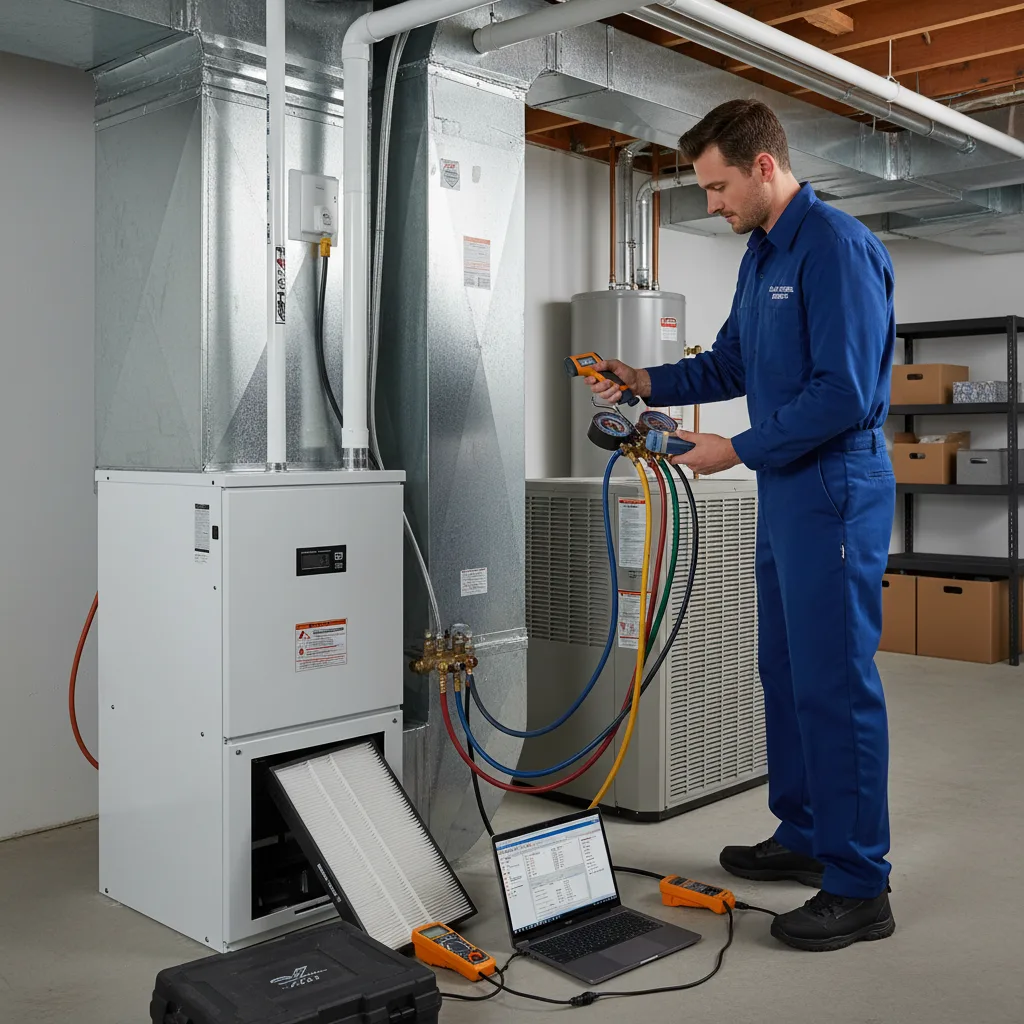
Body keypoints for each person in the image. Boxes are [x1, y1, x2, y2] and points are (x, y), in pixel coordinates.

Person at [588, 99, 896, 952]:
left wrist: (739, 448)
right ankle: (804, 836)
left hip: (834, 484)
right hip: (787, 486)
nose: (714, 204)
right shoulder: (762, 255)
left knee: (834, 681)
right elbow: (732, 361)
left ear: (764, 167)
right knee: (786, 669)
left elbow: (843, 393)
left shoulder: (834, 247)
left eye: (720, 186)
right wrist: (642, 379)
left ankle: (861, 882)